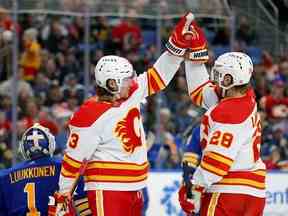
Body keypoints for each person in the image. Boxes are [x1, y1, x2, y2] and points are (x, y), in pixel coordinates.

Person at [54, 12, 208, 216]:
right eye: (126, 79)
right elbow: (72, 161)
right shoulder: (88, 115)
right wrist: (63, 196)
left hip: (135, 188)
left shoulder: (130, 93)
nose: (132, 81)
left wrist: (177, 46)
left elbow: (158, 76)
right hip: (107, 190)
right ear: (111, 83)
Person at [178, 49, 266, 215]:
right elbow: (201, 92)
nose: (214, 75)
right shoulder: (245, 96)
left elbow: (216, 164)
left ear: (229, 79)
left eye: (219, 72)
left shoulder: (228, 112)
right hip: (253, 193)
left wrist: (194, 189)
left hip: (228, 192)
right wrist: (194, 56)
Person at [0, 123, 91, 216]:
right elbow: (85, 208)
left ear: (23, 149)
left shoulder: (5, 177)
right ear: (51, 144)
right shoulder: (67, 167)